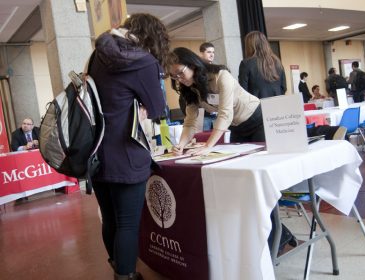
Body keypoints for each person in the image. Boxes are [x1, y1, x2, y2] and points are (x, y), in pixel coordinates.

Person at [88, 13, 169, 280]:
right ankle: (125, 275)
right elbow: (158, 108)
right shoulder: (144, 61)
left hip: (96, 150)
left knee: (110, 218)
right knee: (127, 222)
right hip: (127, 151)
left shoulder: (96, 54)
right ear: (151, 36)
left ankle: (117, 265)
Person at [168, 47, 265, 156]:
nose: (179, 79)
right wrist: (180, 145)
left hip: (257, 120)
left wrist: (208, 146)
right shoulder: (191, 89)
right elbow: (190, 122)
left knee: (262, 158)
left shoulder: (221, 76)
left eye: (180, 73)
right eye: (174, 77)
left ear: (192, 65)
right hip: (236, 126)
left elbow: (225, 113)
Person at [238, 31, 286, 98]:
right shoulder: (277, 61)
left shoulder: (246, 64)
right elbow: (284, 87)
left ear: (249, 46)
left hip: (257, 106)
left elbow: (243, 91)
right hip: (277, 104)